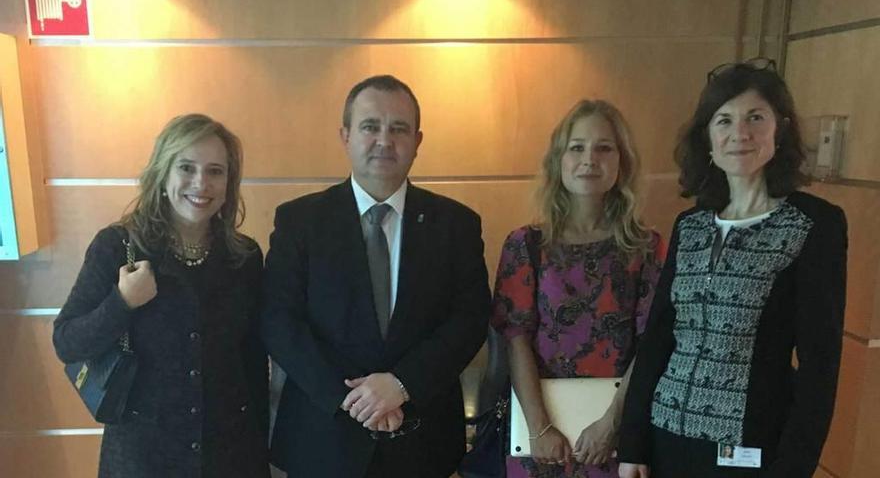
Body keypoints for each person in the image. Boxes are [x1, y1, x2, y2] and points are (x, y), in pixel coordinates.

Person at [617, 58, 848, 478]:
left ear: (781, 129)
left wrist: (794, 467)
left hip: (750, 447)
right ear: (707, 138)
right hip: (666, 438)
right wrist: (632, 444)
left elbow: (821, 364)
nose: (739, 134)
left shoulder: (814, 224)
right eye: (724, 120)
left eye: (755, 118)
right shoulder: (690, 225)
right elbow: (657, 341)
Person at [262, 74, 491, 478]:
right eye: (370, 126)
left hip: (423, 441)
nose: (384, 140)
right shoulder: (300, 221)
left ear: (417, 141)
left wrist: (401, 385)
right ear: (345, 135)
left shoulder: (455, 224)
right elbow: (279, 322)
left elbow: (469, 320)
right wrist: (354, 400)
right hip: (322, 439)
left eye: (398, 128)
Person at [53, 114, 269, 477]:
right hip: (143, 457)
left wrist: (260, 450)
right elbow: (67, 342)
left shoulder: (243, 257)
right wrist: (121, 303)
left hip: (229, 453)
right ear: (163, 175)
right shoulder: (117, 246)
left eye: (215, 171)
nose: (201, 183)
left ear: (229, 183)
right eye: (187, 167)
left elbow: (251, 361)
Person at [492, 99, 666, 478]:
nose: (590, 159)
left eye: (604, 148)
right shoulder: (525, 244)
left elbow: (651, 344)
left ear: (622, 163)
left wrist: (611, 425)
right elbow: (515, 338)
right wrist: (539, 428)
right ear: (559, 160)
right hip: (538, 436)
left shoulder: (647, 248)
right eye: (577, 147)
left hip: (616, 436)